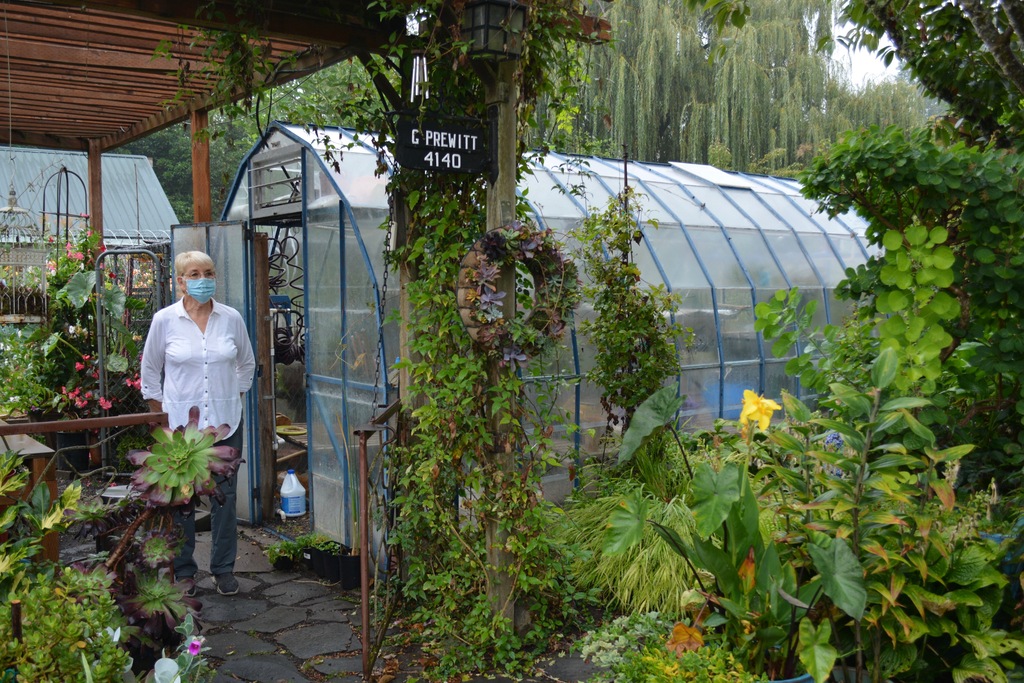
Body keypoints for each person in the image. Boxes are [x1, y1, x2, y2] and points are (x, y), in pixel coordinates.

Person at [141, 250, 255, 596]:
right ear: (180, 281)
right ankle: (186, 572)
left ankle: (223, 570)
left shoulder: (231, 318)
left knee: (225, 498)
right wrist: (161, 418)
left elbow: (247, 364)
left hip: (225, 424)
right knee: (183, 501)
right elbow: (150, 373)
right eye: (194, 273)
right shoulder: (165, 321)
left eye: (208, 272)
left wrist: (228, 396)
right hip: (180, 431)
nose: (203, 279)